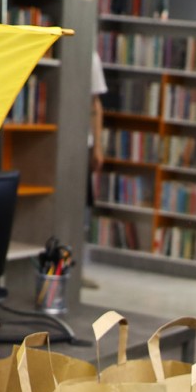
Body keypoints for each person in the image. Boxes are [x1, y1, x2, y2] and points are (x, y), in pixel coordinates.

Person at [86, 50, 107, 289]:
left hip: (84, 142)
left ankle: (77, 266)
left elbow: (95, 103)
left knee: (82, 207)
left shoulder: (91, 57)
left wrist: (98, 146)